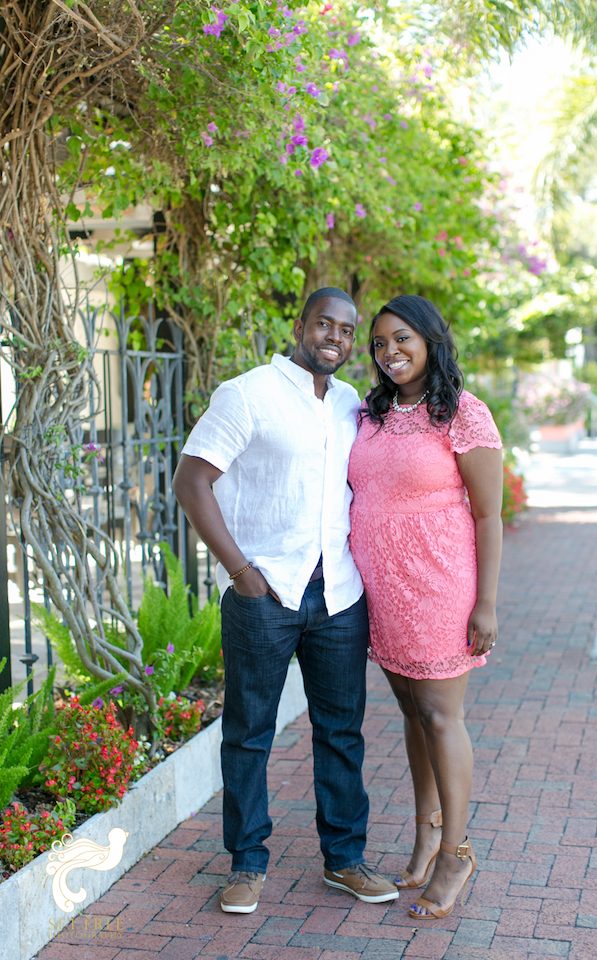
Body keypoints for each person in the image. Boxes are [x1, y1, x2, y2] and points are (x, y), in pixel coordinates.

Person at [172, 288, 398, 915]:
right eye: (324, 323)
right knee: (249, 732)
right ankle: (246, 862)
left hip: (340, 594)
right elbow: (192, 480)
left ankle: (345, 859)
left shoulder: (353, 403)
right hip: (264, 592)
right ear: (300, 326)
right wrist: (241, 571)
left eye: (348, 331)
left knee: (341, 732)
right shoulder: (247, 394)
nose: (336, 337)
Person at [348, 295, 503, 920]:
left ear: (432, 339)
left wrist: (486, 603)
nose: (390, 353)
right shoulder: (372, 413)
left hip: (440, 584)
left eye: (401, 338)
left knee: (441, 716)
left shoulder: (462, 414)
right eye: (380, 344)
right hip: (384, 590)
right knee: (412, 714)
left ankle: (456, 852)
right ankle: (425, 835)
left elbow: (489, 514)